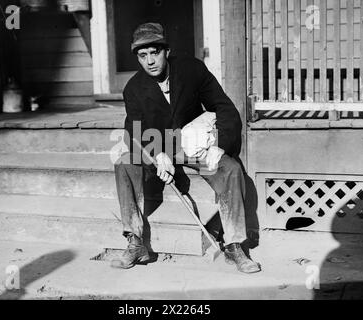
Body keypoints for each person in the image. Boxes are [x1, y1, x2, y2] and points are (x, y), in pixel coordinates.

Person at [111, 22, 261, 273]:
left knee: (231, 168)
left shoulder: (192, 70)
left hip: (195, 146)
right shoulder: (133, 88)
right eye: (142, 55)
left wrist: (220, 147)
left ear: (166, 51)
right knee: (124, 162)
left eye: (154, 52)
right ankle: (135, 241)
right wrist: (157, 154)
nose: (149, 61)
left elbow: (224, 107)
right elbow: (134, 131)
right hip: (159, 150)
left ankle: (235, 245)